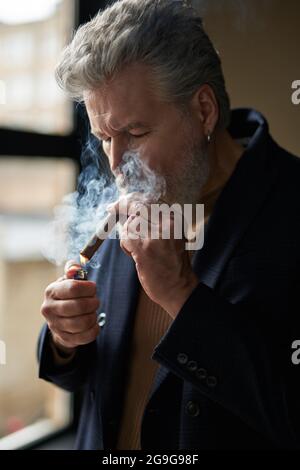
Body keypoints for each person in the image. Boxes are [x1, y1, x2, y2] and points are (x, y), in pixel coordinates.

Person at [38, 0, 300, 450]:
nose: (117, 163)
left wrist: (181, 293)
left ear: (202, 111)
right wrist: (65, 336)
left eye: (136, 134)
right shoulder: (125, 207)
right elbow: (84, 376)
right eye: (104, 138)